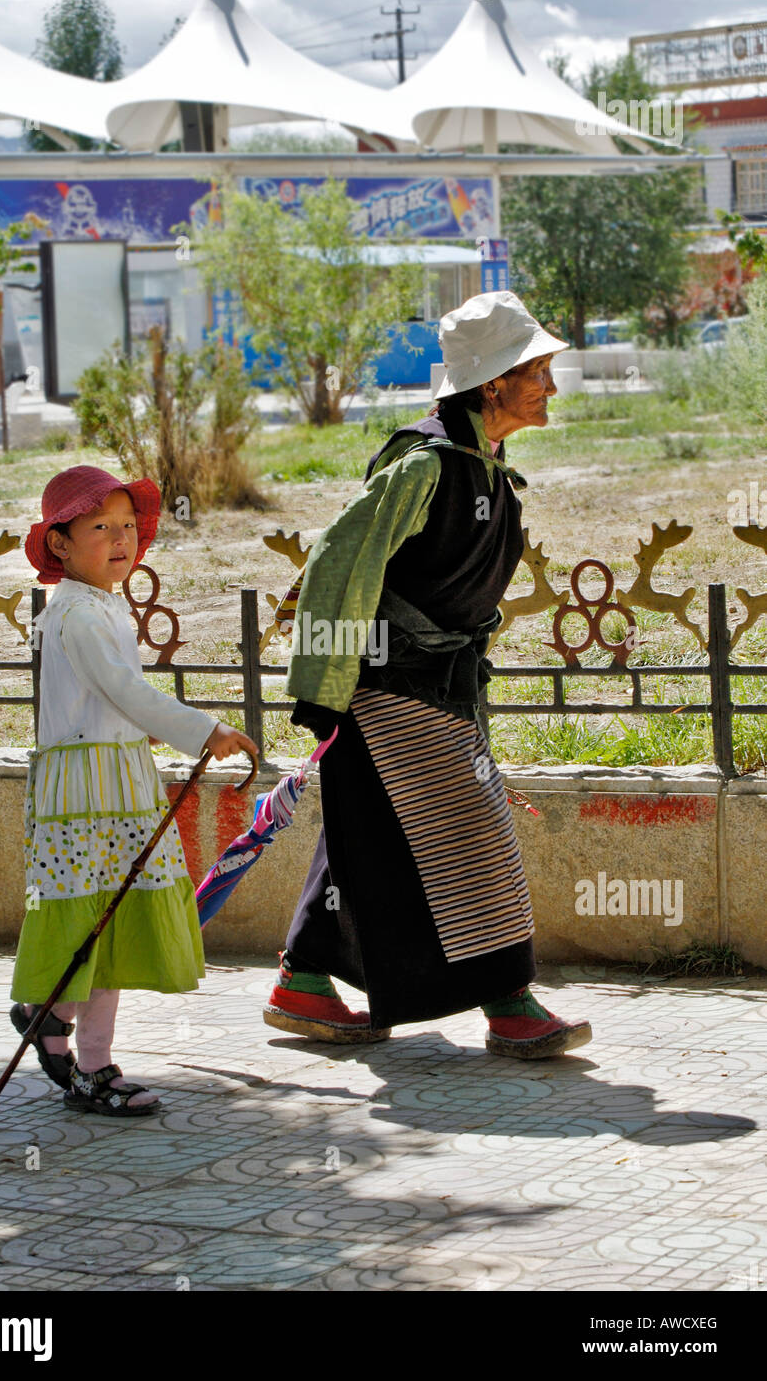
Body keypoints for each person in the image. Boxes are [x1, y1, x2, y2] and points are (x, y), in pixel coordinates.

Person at [264, 291, 592, 1059]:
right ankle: (509, 1002)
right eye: (536, 370)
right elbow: (338, 562)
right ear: (492, 385)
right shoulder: (424, 464)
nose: (550, 384)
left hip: (437, 690)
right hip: (390, 689)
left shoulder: (486, 467)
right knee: (478, 837)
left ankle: (302, 982)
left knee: (368, 839)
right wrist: (321, 690)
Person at [11, 465, 258, 1116]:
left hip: (116, 785)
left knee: (107, 927)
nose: (120, 539)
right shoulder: (79, 616)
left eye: (127, 526)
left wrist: (134, 732)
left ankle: (59, 1029)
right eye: (100, 527)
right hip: (86, 798)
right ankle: (81, 1057)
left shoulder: (98, 606)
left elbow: (103, 701)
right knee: (88, 923)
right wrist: (202, 730)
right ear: (59, 543)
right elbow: (125, 691)